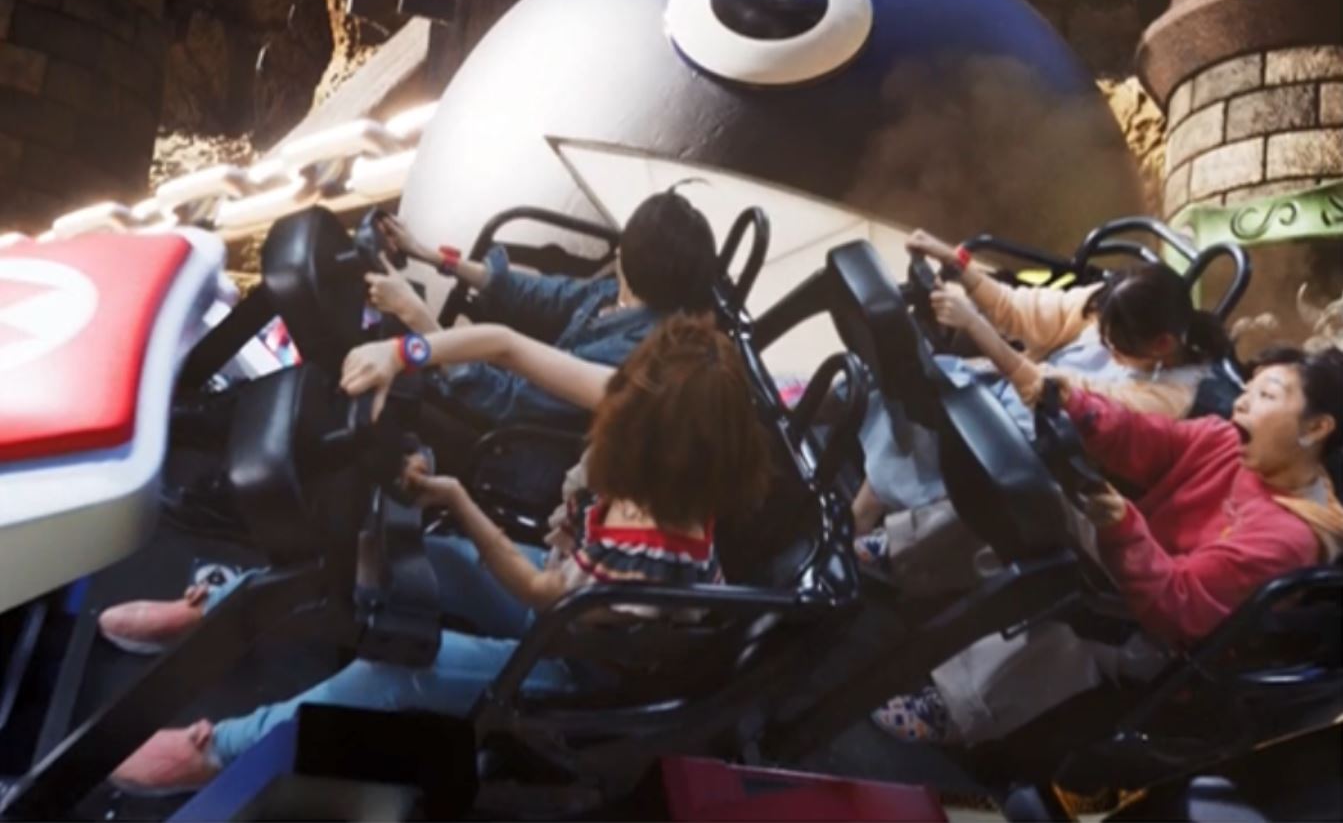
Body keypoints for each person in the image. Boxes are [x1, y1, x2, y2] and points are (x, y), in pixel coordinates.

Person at [107, 315, 773, 793]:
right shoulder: (661, 423)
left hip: (578, 658)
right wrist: (401, 351)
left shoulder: (647, 548)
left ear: (659, 449)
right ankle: (221, 610)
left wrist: (455, 496)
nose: (614, 404)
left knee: (397, 673)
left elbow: (540, 595)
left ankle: (222, 751)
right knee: (430, 556)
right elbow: (505, 345)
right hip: (570, 593)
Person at [873, 346, 1343, 745]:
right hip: (1140, 567)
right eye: (1248, 389)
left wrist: (1123, 525)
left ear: (1317, 428)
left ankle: (956, 705)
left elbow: (1180, 604)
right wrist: (1077, 405)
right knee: (1033, 497)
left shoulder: (1291, 536)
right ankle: (897, 554)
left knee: (1087, 618)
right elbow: (1144, 439)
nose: (1242, 402)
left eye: (1266, 395)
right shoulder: (1228, 443)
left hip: (1169, 640)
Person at [852, 229, 1232, 580]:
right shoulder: (1108, 306)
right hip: (1014, 396)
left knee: (991, 467)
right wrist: (957, 262)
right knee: (933, 382)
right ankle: (861, 512)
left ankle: (895, 548)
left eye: (1116, 345)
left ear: (1162, 344)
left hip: (1056, 451)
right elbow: (1023, 309)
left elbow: (1060, 396)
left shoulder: (1168, 399)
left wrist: (976, 327)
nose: (1105, 345)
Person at [363, 186, 720, 435]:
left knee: (386, 407)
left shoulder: (631, 357)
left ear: (623, 256)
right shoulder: (619, 296)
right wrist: (430, 255)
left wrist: (416, 316)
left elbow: (507, 396)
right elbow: (542, 295)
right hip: (510, 403)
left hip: (513, 444)